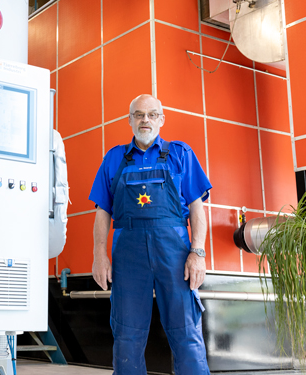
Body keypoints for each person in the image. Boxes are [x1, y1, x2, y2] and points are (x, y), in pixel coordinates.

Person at [89, 94, 212, 375]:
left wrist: (198, 252)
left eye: (152, 114)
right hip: (128, 254)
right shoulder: (114, 158)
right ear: (130, 120)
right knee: (127, 335)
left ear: (161, 119)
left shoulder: (181, 154)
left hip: (175, 253)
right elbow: (102, 212)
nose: (146, 120)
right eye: (139, 114)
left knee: (186, 332)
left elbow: (197, 208)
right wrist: (99, 254)